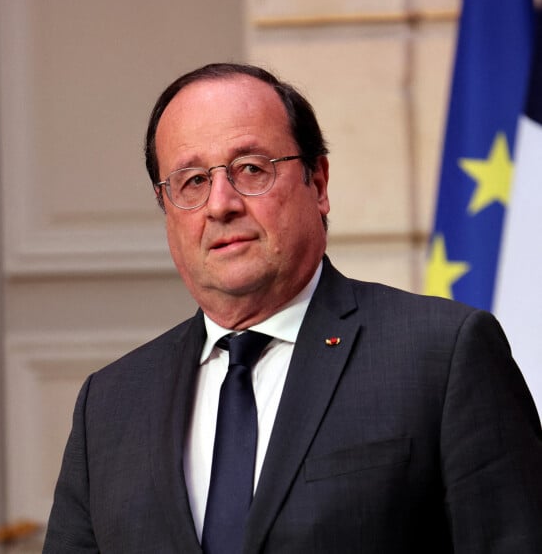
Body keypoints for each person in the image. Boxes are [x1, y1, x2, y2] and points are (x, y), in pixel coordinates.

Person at [43, 63, 542, 553]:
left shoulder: (442, 355)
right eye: (192, 181)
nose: (221, 204)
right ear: (166, 208)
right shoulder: (109, 405)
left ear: (318, 183)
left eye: (251, 169)